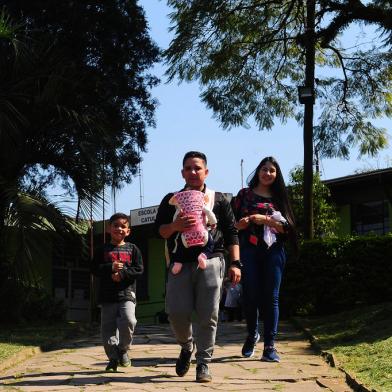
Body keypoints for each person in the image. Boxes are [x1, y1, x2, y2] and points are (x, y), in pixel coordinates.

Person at [155, 151, 241, 383]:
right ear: (182, 172)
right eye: (188, 168)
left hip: (212, 260)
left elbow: (232, 233)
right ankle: (186, 346)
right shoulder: (171, 200)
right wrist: (175, 226)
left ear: (206, 172)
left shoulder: (219, 199)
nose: (193, 172)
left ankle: (203, 363)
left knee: (208, 314)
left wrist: (235, 263)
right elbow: (159, 232)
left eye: (197, 168)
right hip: (179, 264)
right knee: (176, 312)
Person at [232, 156, 296, 362]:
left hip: (274, 251)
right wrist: (238, 225)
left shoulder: (280, 198)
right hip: (249, 249)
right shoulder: (244, 195)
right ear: (258, 171)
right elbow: (230, 224)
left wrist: (266, 220)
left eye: (272, 171)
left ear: (277, 175)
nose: (267, 174)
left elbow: (288, 229)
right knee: (251, 295)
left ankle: (270, 346)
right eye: (264, 169)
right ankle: (252, 335)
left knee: (272, 297)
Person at [91, 212, 144, 372]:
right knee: (107, 330)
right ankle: (113, 358)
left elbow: (139, 269)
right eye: (116, 225)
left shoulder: (133, 249)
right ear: (109, 228)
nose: (119, 229)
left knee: (129, 321)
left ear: (128, 231)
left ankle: (122, 350)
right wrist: (110, 267)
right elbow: (94, 269)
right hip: (107, 296)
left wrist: (122, 273)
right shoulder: (102, 250)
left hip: (127, 294)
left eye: (123, 226)